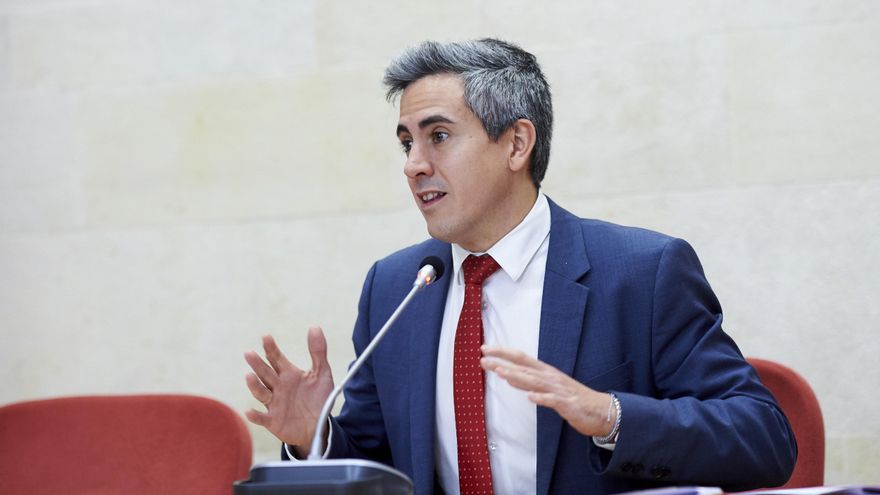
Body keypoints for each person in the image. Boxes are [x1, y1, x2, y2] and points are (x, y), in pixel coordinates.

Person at [244, 39, 797, 494]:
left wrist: (609, 416)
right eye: (406, 142)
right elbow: (379, 464)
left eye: (438, 136)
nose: (413, 165)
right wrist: (314, 437)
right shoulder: (396, 287)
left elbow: (765, 440)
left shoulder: (641, 272)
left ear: (515, 144)